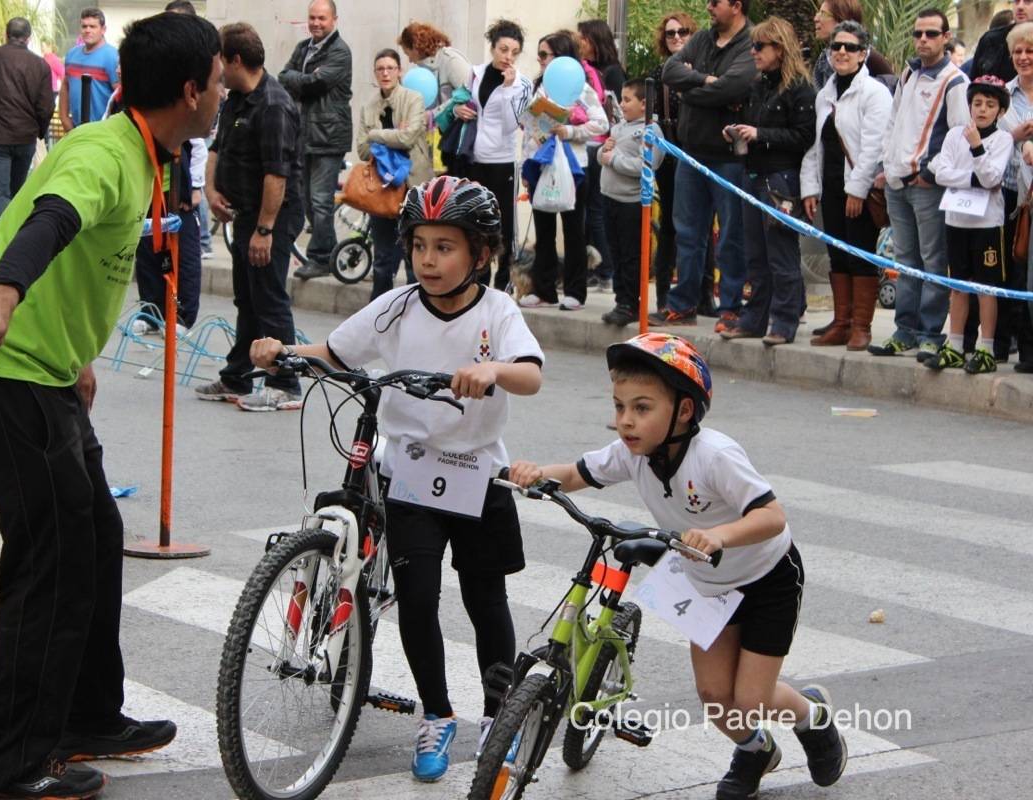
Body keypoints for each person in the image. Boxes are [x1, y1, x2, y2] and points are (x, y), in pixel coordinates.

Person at [0, 12, 222, 797]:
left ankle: (86, 714)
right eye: (218, 82)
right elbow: (54, 218)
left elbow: (88, 256)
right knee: (51, 563)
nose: (223, 93)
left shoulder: (142, 150)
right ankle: (8, 760)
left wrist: (78, 357)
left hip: (48, 375)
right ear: (190, 90)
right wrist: (3, 294)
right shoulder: (105, 151)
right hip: (5, 376)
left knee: (94, 538)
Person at [248, 175, 544, 783]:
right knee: (417, 597)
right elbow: (337, 351)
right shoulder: (398, 306)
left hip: (479, 474)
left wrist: (493, 369)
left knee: (486, 599)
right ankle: (436, 715)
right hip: (410, 476)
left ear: (480, 253)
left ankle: (498, 718)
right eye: (420, 245)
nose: (428, 260)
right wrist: (285, 351)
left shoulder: (497, 311)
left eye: (445, 247)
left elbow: (530, 374)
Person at [508, 332, 847, 800]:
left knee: (750, 699)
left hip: (767, 579)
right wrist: (533, 474)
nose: (626, 421)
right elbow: (573, 474)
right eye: (619, 406)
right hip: (705, 582)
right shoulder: (632, 454)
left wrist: (719, 535)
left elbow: (772, 517)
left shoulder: (715, 455)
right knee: (715, 698)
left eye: (641, 408)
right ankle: (756, 750)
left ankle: (813, 716)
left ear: (684, 411)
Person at [195, 23, 306, 412]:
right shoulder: (236, 99)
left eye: (218, 60)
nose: (215, 68)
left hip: (273, 217)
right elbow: (216, 149)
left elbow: (276, 176)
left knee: (270, 299)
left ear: (235, 60)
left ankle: (285, 382)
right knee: (248, 299)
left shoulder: (273, 106)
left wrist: (264, 230)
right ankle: (237, 376)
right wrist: (212, 192)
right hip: (245, 215)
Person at [869, 9, 969, 360]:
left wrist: (929, 174)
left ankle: (930, 333)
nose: (923, 40)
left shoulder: (955, 81)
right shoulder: (909, 72)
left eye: (931, 33)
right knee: (905, 260)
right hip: (896, 183)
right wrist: (886, 165)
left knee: (933, 260)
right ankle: (904, 331)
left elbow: (959, 136)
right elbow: (893, 122)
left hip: (927, 187)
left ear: (946, 38)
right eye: (918, 33)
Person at [656, 0, 756, 331]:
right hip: (691, 154)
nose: (709, 7)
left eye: (716, 2)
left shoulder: (750, 42)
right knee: (687, 233)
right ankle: (683, 305)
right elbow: (670, 72)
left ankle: (730, 307)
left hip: (729, 159)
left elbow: (735, 86)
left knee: (730, 236)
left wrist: (690, 91)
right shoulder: (702, 38)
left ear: (736, 6)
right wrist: (707, 80)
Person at [718, 17, 815, 347]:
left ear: (780, 48)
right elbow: (750, 125)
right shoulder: (757, 85)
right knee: (755, 254)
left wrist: (760, 134)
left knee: (780, 252)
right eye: (752, 46)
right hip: (753, 173)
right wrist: (736, 132)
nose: (754, 52)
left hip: (781, 179)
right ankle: (754, 319)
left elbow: (804, 136)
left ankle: (784, 321)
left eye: (760, 46)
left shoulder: (800, 88)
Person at [800, 21, 892, 350]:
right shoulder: (825, 94)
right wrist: (810, 188)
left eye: (850, 47)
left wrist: (857, 189)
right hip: (830, 186)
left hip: (859, 190)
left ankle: (861, 327)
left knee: (859, 255)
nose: (841, 52)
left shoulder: (875, 93)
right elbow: (815, 146)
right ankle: (841, 323)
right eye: (836, 46)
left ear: (863, 54)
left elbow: (873, 147)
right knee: (837, 255)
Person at [129, 0, 209, 337]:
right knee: (148, 247)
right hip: (151, 180)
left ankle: (181, 315)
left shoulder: (199, 73)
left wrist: (196, 186)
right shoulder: (153, 71)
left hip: (180, 186)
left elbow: (200, 141)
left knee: (183, 252)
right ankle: (151, 311)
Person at [926, 76, 1014, 374]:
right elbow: (941, 173)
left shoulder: (1002, 140)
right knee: (959, 285)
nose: (982, 110)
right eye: (977, 103)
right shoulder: (954, 135)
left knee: (986, 288)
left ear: (1000, 111)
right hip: (956, 219)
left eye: (990, 105)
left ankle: (986, 347)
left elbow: (992, 178)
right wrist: (973, 180)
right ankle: (954, 344)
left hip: (987, 223)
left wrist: (977, 148)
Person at [518, 30, 608, 311]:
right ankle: (544, 289)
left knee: (574, 229)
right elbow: (529, 130)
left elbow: (601, 123)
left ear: (561, 57)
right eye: (539, 55)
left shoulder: (581, 88)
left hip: (574, 166)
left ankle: (575, 291)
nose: (540, 60)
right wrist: (526, 166)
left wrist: (570, 131)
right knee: (543, 229)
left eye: (545, 54)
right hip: (542, 164)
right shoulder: (540, 88)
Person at [458, 19, 534, 290]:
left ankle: (503, 281)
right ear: (492, 48)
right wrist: (458, 110)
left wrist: (507, 89)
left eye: (514, 52)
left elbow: (510, 125)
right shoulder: (475, 73)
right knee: (476, 220)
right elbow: (461, 101)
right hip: (474, 158)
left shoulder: (522, 84)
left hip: (502, 161)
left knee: (503, 224)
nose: (508, 56)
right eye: (503, 49)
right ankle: (478, 277)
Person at [281, 0, 353, 280]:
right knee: (308, 201)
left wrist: (300, 80)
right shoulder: (303, 48)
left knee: (320, 201)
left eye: (322, 18)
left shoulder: (340, 51)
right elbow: (283, 76)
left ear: (334, 19)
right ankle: (330, 253)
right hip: (304, 135)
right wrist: (303, 78)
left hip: (328, 136)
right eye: (312, 17)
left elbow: (317, 84)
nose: (316, 23)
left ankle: (320, 257)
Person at [356, 48, 434, 299]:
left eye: (390, 68)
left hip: (413, 184)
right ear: (375, 73)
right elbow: (362, 150)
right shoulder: (368, 106)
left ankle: (418, 306)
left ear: (400, 71)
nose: (385, 73)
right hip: (382, 187)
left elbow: (408, 137)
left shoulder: (413, 99)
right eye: (380, 69)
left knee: (414, 252)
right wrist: (393, 136)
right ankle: (379, 310)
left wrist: (375, 135)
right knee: (382, 257)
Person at [649, 11, 704, 314]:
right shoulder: (659, 74)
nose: (676, 37)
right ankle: (663, 298)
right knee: (670, 226)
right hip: (669, 157)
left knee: (701, 227)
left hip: (699, 155)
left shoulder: (702, 70)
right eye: (670, 33)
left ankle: (704, 297)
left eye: (682, 32)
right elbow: (652, 117)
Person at [0, 17, 54, 219]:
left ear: (6, 34)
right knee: (17, 192)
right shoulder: (40, 65)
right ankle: (15, 231)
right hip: (25, 136)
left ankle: (3, 233)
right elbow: (46, 106)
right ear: (28, 38)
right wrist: (39, 131)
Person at [598, 78, 663, 327]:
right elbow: (603, 156)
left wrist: (613, 159)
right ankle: (620, 300)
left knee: (630, 255)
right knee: (615, 253)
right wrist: (603, 151)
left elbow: (646, 165)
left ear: (644, 103)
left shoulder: (650, 130)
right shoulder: (619, 128)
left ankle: (630, 304)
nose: (622, 105)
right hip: (610, 198)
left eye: (627, 100)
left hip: (630, 202)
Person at [577, 19, 626, 294]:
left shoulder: (612, 73)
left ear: (595, 40)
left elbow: (619, 114)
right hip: (585, 146)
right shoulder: (583, 70)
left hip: (601, 147)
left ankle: (607, 270)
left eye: (583, 38)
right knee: (584, 212)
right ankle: (592, 269)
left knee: (595, 212)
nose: (579, 43)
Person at [1002, 22, 1033, 372]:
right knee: (1017, 270)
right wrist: (1014, 138)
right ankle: (1023, 349)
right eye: (1018, 52)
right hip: (1012, 196)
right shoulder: (1003, 95)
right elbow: (989, 141)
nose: (1023, 57)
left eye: (1030, 51)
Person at [811, 0, 895, 90]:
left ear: (841, 18)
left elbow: (894, 89)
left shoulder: (871, 58)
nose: (816, 19)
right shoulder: (824, 60)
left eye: (823, 14)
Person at [397, 21, 472, 121]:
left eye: (408, 54)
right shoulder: (424, 70)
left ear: (415, 47)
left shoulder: (451, 60)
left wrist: (448, 111)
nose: (410, 60)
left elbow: (471, 92)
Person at [59, 8, 119, 131]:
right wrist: (64, 118)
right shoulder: (71, 55)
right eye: (84, 26)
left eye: (92, 26)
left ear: (103, 29)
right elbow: (65, 85)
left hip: (103, 130)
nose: (87, 30)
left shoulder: (112, 56)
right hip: (76, 130)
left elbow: (121, 94)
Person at [971, 0, 1033, 83]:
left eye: (1028, 1)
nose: (1020, 6)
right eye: (1016, 1)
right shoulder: (991, 39)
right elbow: (973, 83)